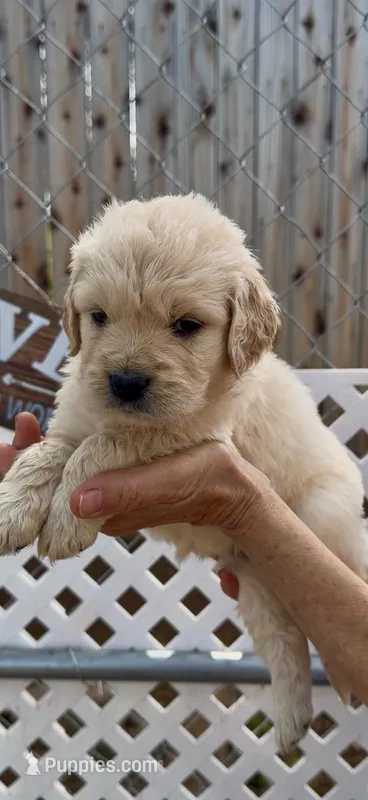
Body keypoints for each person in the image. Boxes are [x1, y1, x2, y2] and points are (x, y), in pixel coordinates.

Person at [1, 412, 368, 705]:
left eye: (185, 327)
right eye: (99, 317)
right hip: (255, 547)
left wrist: (245, 509)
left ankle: (297, 692)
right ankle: (295, 693)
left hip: (311, 503)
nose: (130, 366)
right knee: (264, 607)